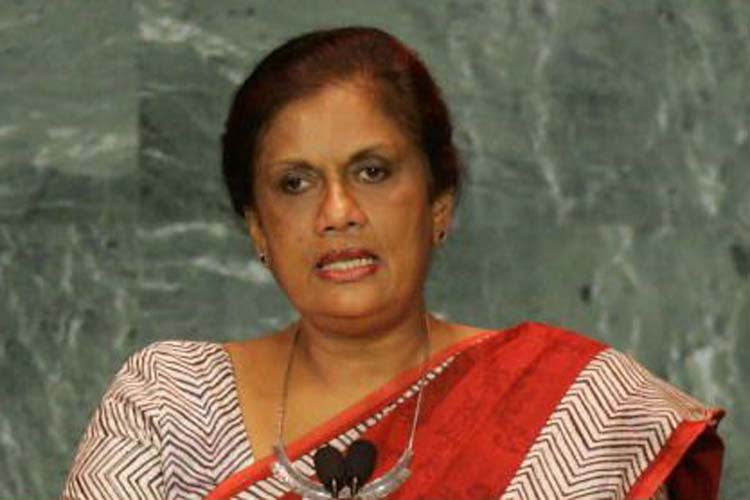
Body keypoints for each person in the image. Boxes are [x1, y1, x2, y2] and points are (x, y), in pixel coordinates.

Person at [62, 27, 724, 500]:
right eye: (295, 183)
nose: (338, 212)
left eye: (372, 171)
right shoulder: (172, 402)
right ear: (258, 226)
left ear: (438, 203)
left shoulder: (578, 411)